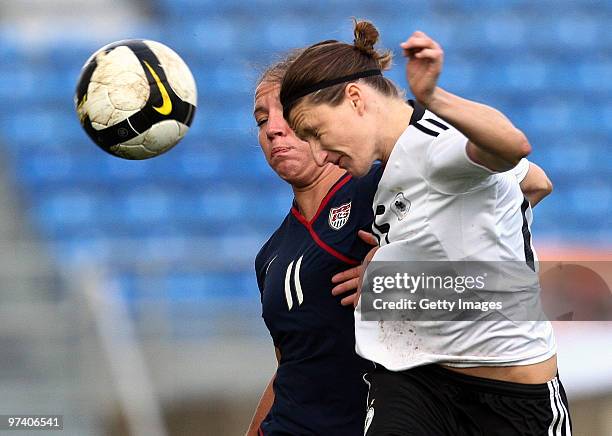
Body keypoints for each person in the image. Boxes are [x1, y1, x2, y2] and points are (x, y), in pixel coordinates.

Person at [280, 20, 569, 436]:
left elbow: (513, 148)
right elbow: (534, 181)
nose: (319, 154)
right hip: (415, 382)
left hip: (511, 398)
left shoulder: (436, 145)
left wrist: (434, 96)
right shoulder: (388, 169)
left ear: (355, 99)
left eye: (316, 132)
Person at [247, 52, 383, 436]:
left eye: (286, 113)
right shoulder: (271, 255)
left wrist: (401, 261)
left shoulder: (379, 187)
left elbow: (520, 190)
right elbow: (290, 367)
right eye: (261, 120)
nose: (273, 129)